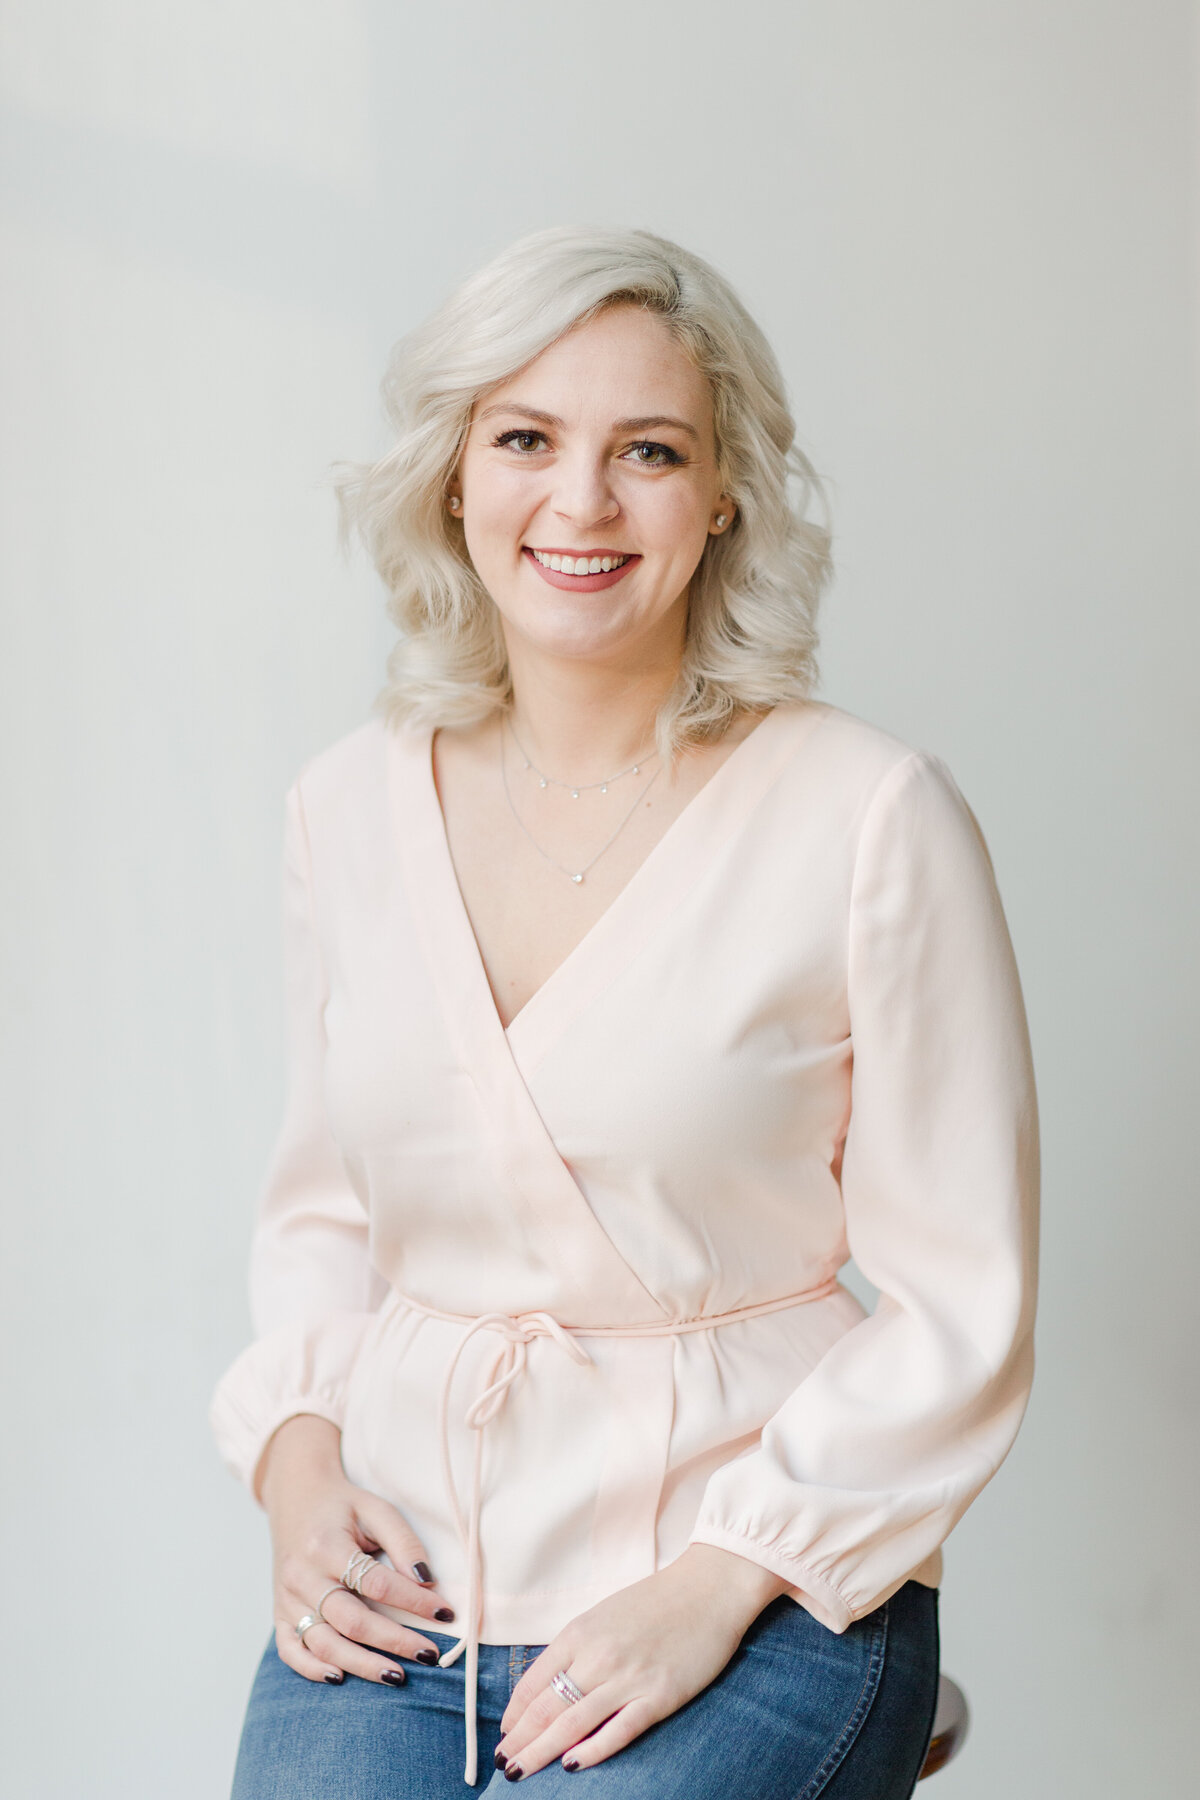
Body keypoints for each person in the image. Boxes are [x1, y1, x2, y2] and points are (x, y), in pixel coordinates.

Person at [210, 226, 1040, 1800]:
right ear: (454, 476)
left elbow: (962, 1302)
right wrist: (297, 1471)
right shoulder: (344, 809)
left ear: (723, 493)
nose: (581, 504)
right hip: (411, 1581)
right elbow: (321, 1211)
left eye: (647, 451)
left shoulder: (871, 816)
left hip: (761, 1567)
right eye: (527, 439)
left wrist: (724, 1582)